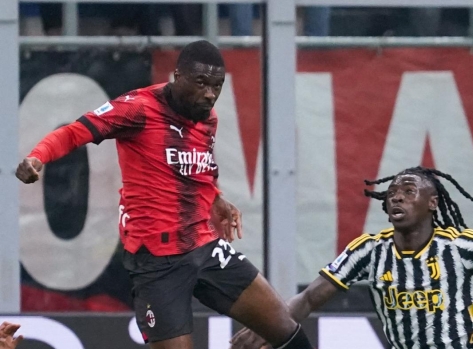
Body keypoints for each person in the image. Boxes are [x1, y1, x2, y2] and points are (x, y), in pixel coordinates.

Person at [16, 40, 313, 349]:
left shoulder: (207, 118)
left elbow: (199, 166)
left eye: (217, 85)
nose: (210, 93)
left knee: (284, 328)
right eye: (201, 83)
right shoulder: (138, 108)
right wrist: (38, 157)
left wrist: (216, 197)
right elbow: (74, 131)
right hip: (156, 263)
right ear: (177, 75)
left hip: (204, 246)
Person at [230, 166, 473, 349]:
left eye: (408, 190)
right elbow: (311, 297)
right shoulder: (368, 249)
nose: (396, 196)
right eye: (392, 193)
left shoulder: (461, 246)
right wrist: (270, 325)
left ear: (433, 203)